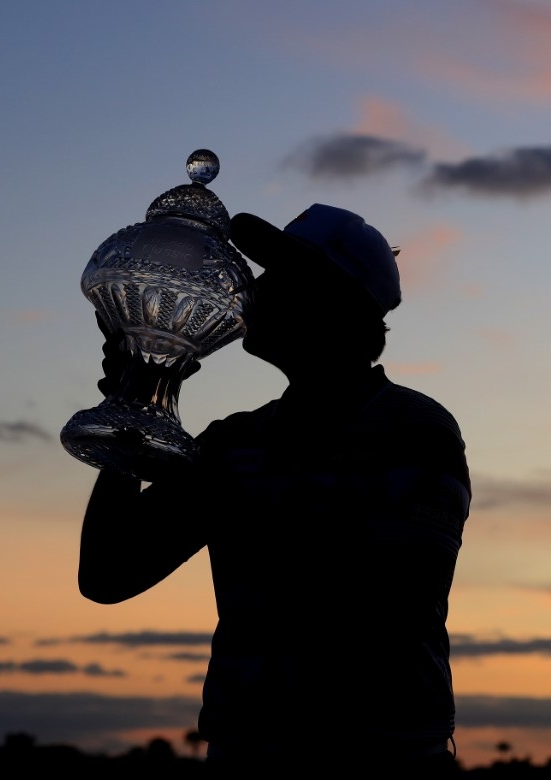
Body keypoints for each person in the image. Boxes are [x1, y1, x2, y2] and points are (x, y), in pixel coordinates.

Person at [78, 204, 471, 776]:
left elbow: (377, 594)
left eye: (283, 277)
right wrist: (136, 409)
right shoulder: (235, 444)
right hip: (247, 760)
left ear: (335, 306)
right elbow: (110, 573)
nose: (254, 291)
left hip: (382, 766)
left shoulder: (413, 429)